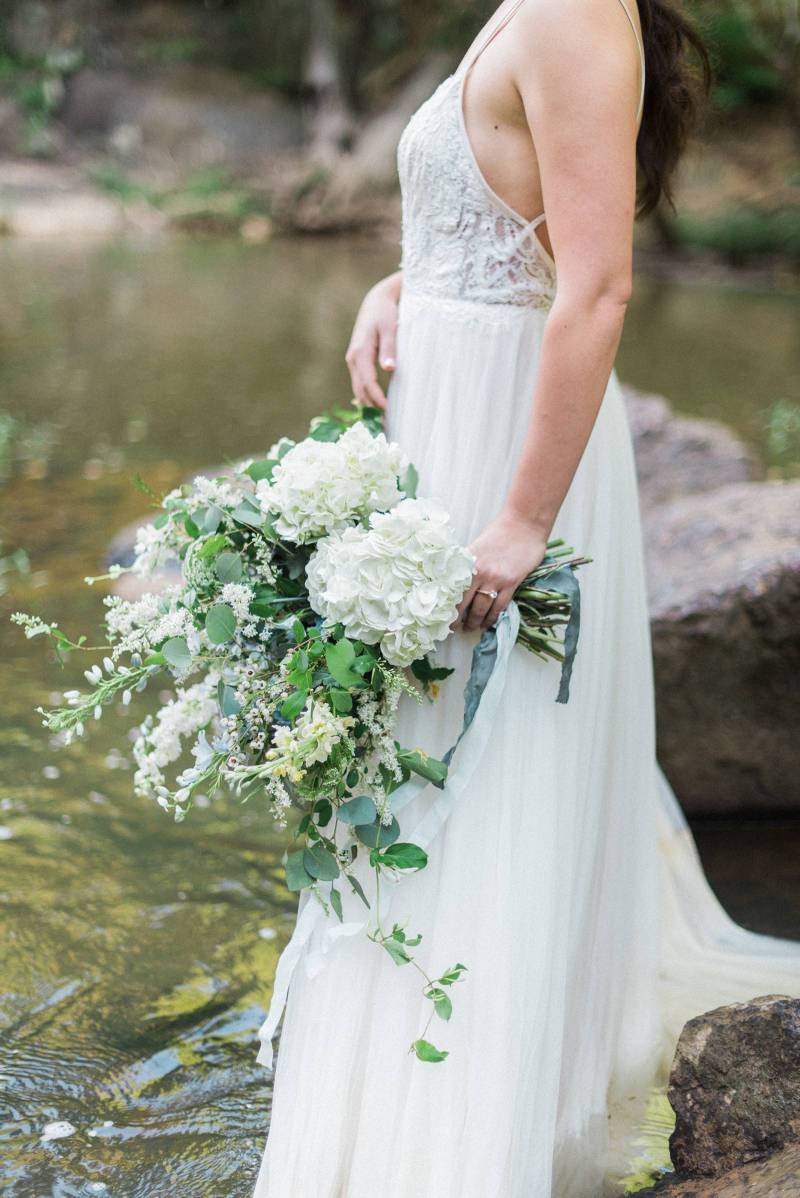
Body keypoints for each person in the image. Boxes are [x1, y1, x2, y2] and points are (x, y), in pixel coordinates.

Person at [254, 2, 800, 1193]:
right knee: (418, 755)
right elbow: (516, 214)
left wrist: (519, 520)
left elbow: (596, 289)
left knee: (483, 772)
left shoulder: (572, 14)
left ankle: (463, 1132)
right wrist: (404, 282)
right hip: (448, 412)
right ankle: (381, 1091)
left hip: (506, 444)